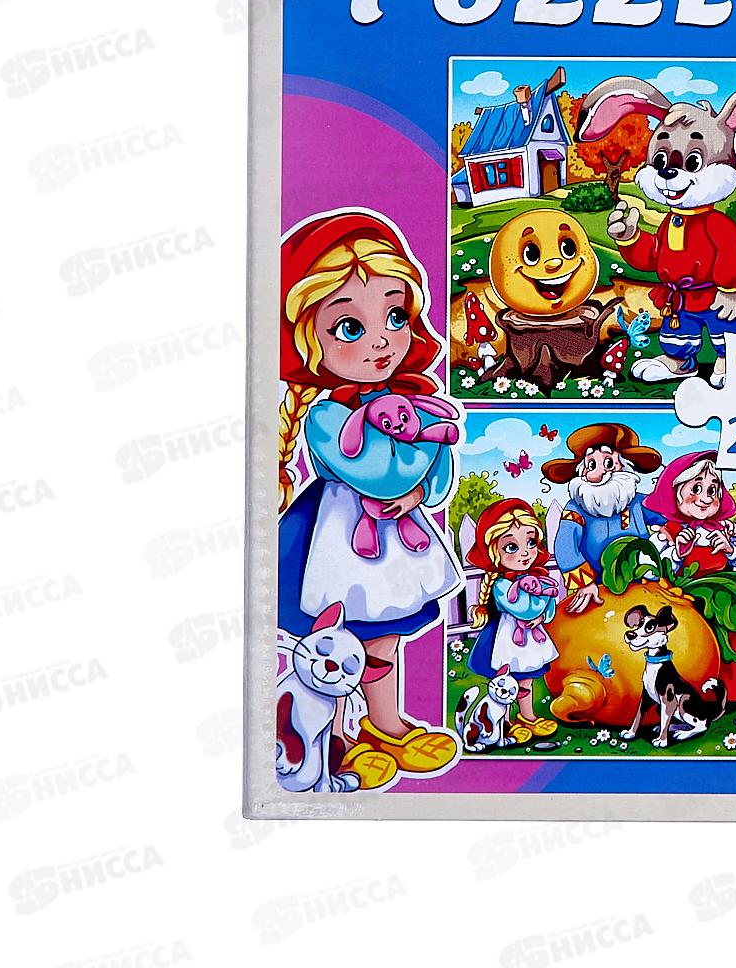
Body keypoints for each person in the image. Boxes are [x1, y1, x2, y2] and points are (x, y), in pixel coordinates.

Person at [276, 211, 462, 789]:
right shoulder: (327, 416)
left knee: (387, 635)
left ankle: (386, 725)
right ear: (310, 341)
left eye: (395, 316)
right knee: (337, 639)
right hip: (340, 540)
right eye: (349, 327)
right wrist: (425, 443)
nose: (382, 339)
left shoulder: (408, 400)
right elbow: (378, 474)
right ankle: (337, 736)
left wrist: (423, 482)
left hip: (394, 542)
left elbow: (435, 476)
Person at [643, 451, 736, 703]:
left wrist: (731, 549)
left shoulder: (721, 529)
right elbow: (652, 567)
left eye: (712, 490)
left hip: (722, 599)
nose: (705, 498)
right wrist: (677, 554)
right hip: (685, 603)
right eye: (696, 489)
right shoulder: (666, 533)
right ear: (675, 492)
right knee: (695, 644)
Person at [542, 423, 664, 613]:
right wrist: (584, 583)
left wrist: (669, 530)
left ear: (624, 467)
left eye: (608, 463)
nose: (600, 473)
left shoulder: (638, 502)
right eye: (592, 465)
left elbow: (666, 517)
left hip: (643, 584)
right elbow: (566, 544)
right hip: (597, 590)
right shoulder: (576, 509)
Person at [466, 499, 560, 742]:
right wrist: (544, 595)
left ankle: (527, 716)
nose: (525, 552)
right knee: (505, 680)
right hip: (505, 639)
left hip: (529, 638)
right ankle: (504, 721)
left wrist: (543, 613)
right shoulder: (501, 584)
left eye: (531, 542)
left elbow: (549, 607)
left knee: (527, 678)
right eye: (511, 547)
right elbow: (523, 609)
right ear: (493, 552)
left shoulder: (535, 578)